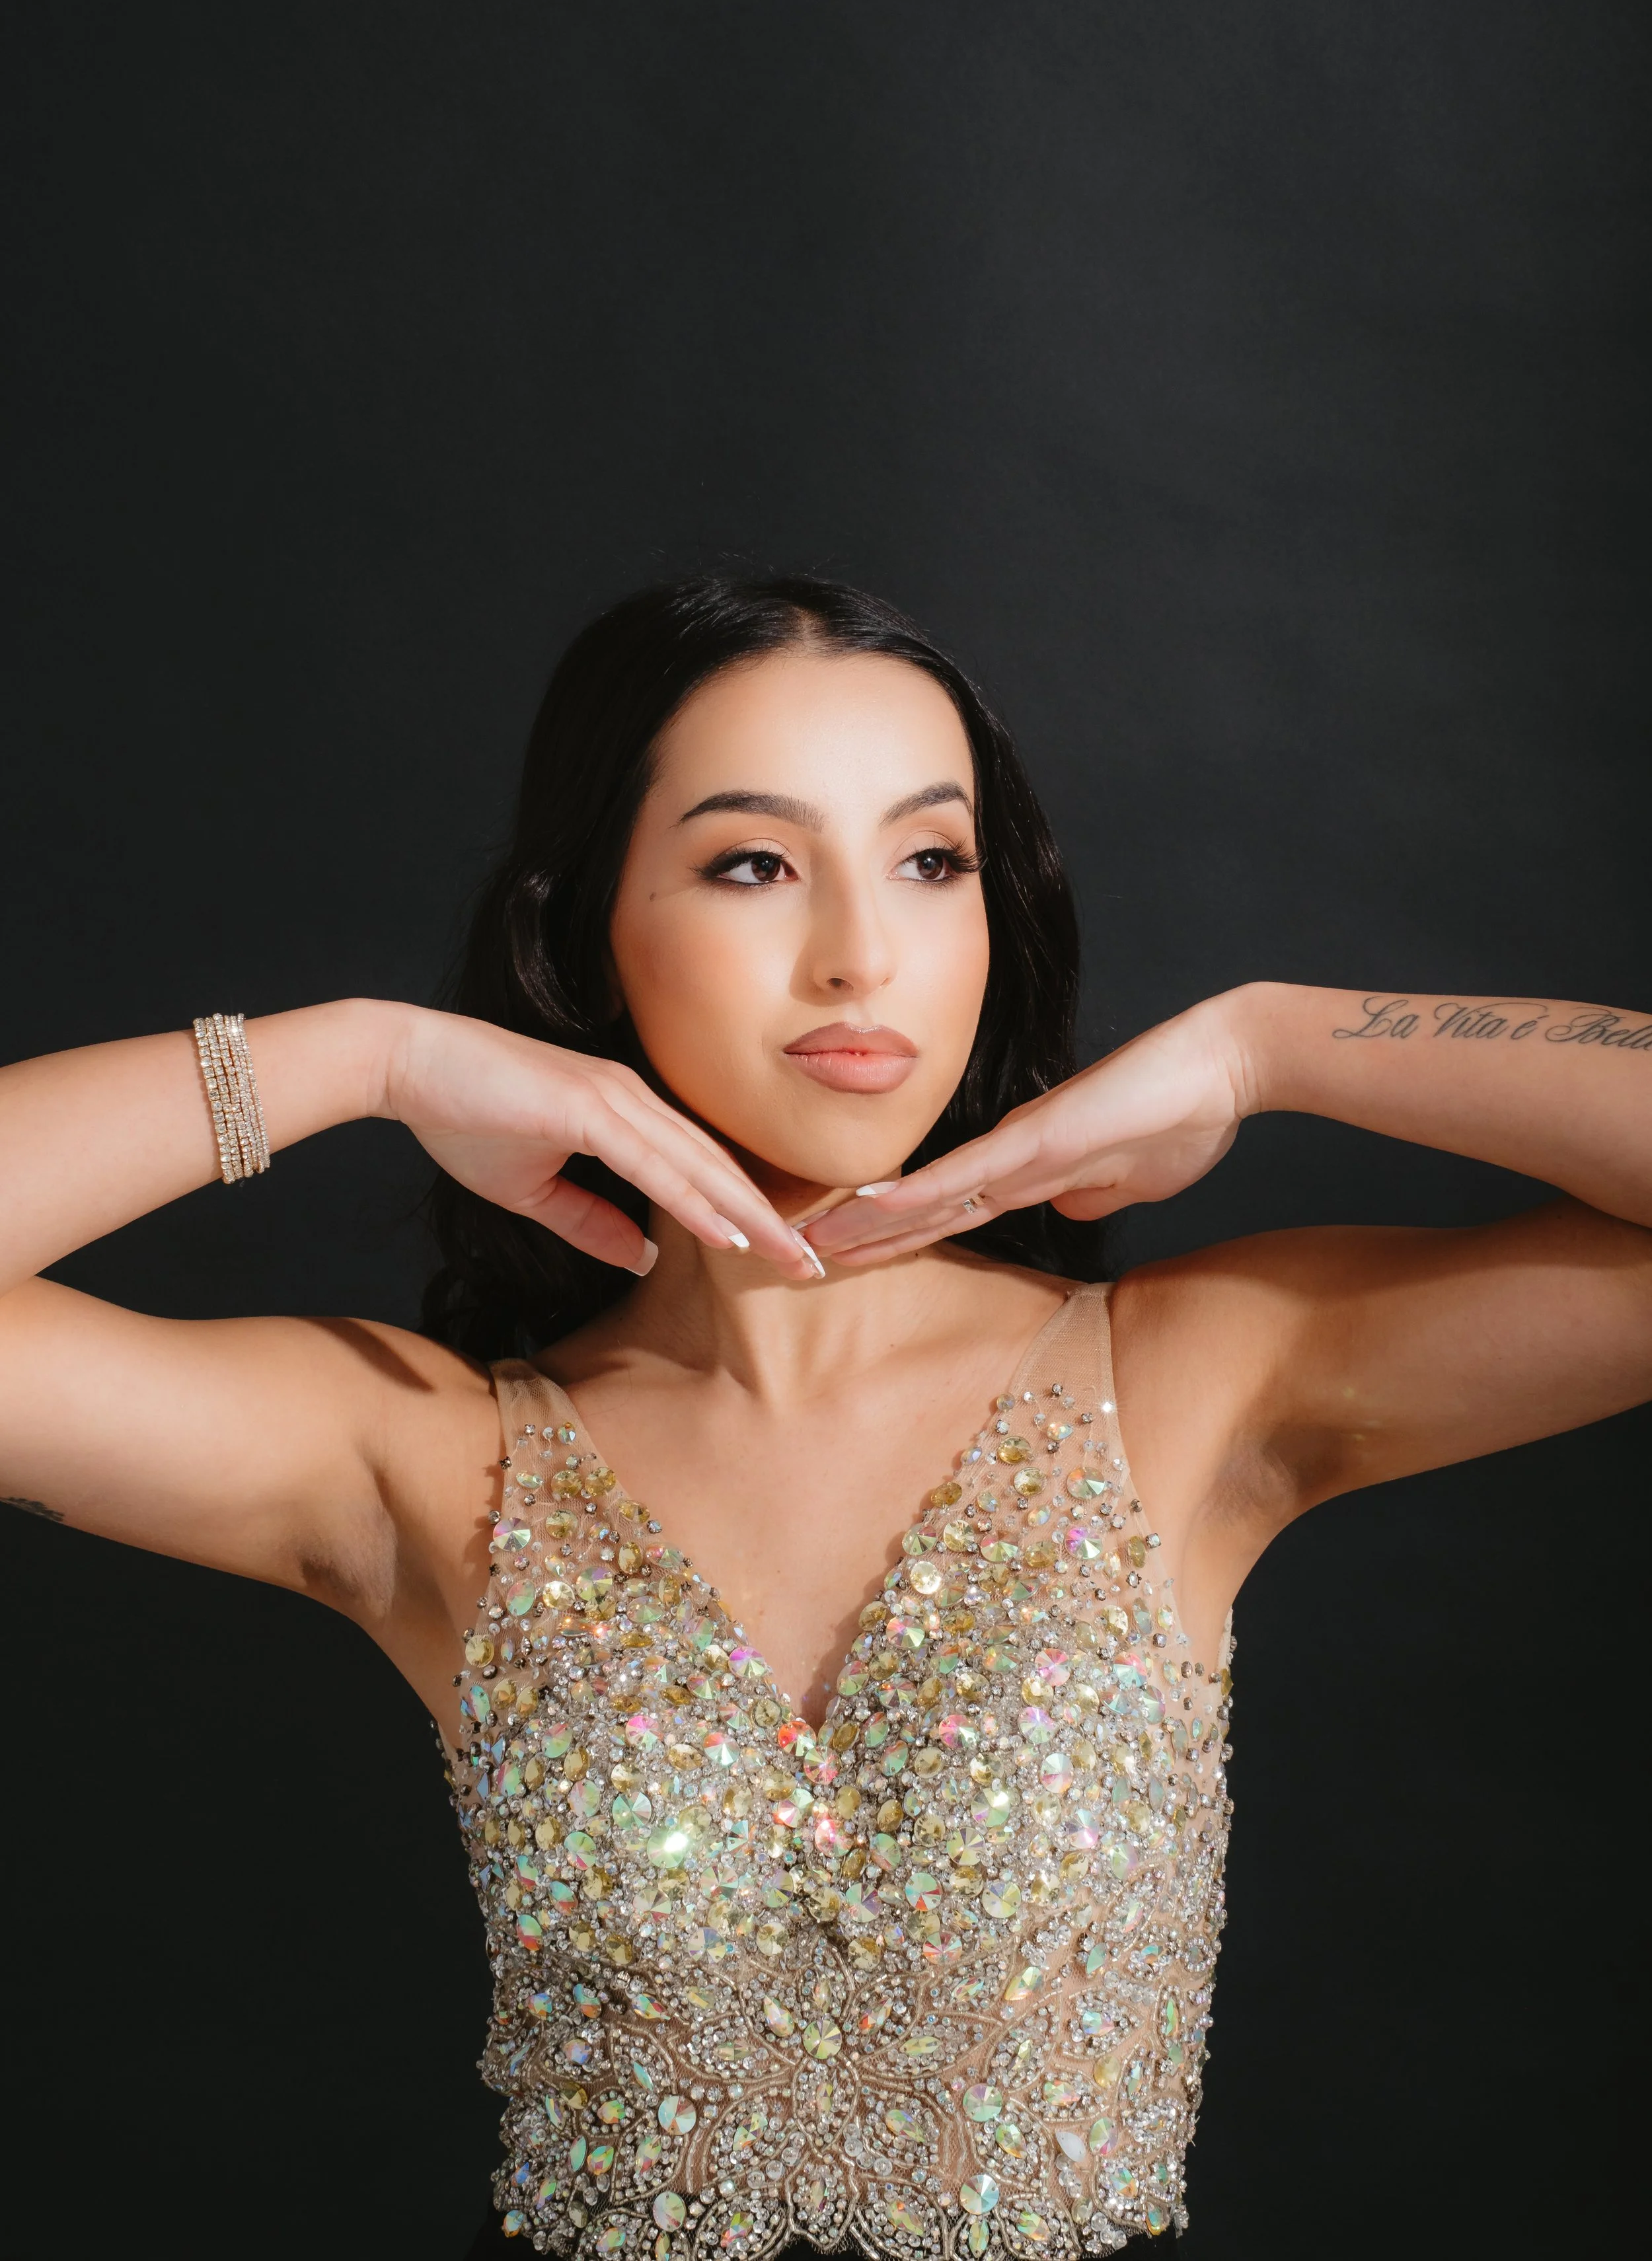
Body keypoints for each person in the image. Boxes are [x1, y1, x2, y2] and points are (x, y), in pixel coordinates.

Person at [3, 574, 1649, 2260]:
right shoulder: (430, 1459)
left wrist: (1266, 1045)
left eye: (931, 863)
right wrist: (366, 1059)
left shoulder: (1183, 1382)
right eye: (752, 864)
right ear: (586, 935)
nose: (860, 953)